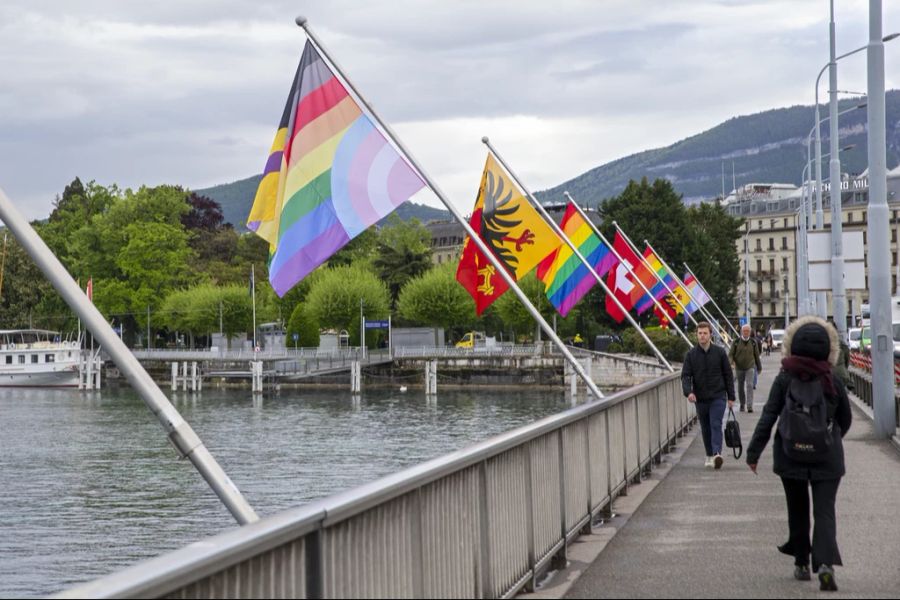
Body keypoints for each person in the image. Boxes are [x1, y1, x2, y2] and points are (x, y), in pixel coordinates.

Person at [746, 316, 852, 592]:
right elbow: (846, 419)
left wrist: (754, 452)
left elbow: (769, 415)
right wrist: (831, 438)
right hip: (827, 456)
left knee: (798, 509)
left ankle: (802, 563)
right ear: (828, 347)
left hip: (789, 453)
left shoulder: (785, 377)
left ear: (792, 345)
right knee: (825, 511)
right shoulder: (833, 380)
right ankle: (826, 565)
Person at [682, 321, 736, 469]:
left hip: (718, 396)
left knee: (715, 424)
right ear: (696, 335)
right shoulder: (691, 355)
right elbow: (685, 376)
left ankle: (717, 454)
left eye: (705, 333)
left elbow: (728, 374)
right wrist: (689, 392)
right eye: (700, 333)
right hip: (700, 398)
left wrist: (731, 396)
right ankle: (709, 454)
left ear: (710, 334)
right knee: (705, 427)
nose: (702, 336)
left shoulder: (719, 353)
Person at [729, 324, 763, 412]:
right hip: (739, 367)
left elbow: (756, 355)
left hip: (750, 366)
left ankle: (749, 406)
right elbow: (731, 354)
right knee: (740, 386)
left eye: (748, 331)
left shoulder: (753, 342)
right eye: (744, 331)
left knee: (749, 385)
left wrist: (759, 367)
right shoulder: (736, 342)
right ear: (741, 332)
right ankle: (742, 404)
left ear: (750, 332)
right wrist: (731, 363)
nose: (746, 333)